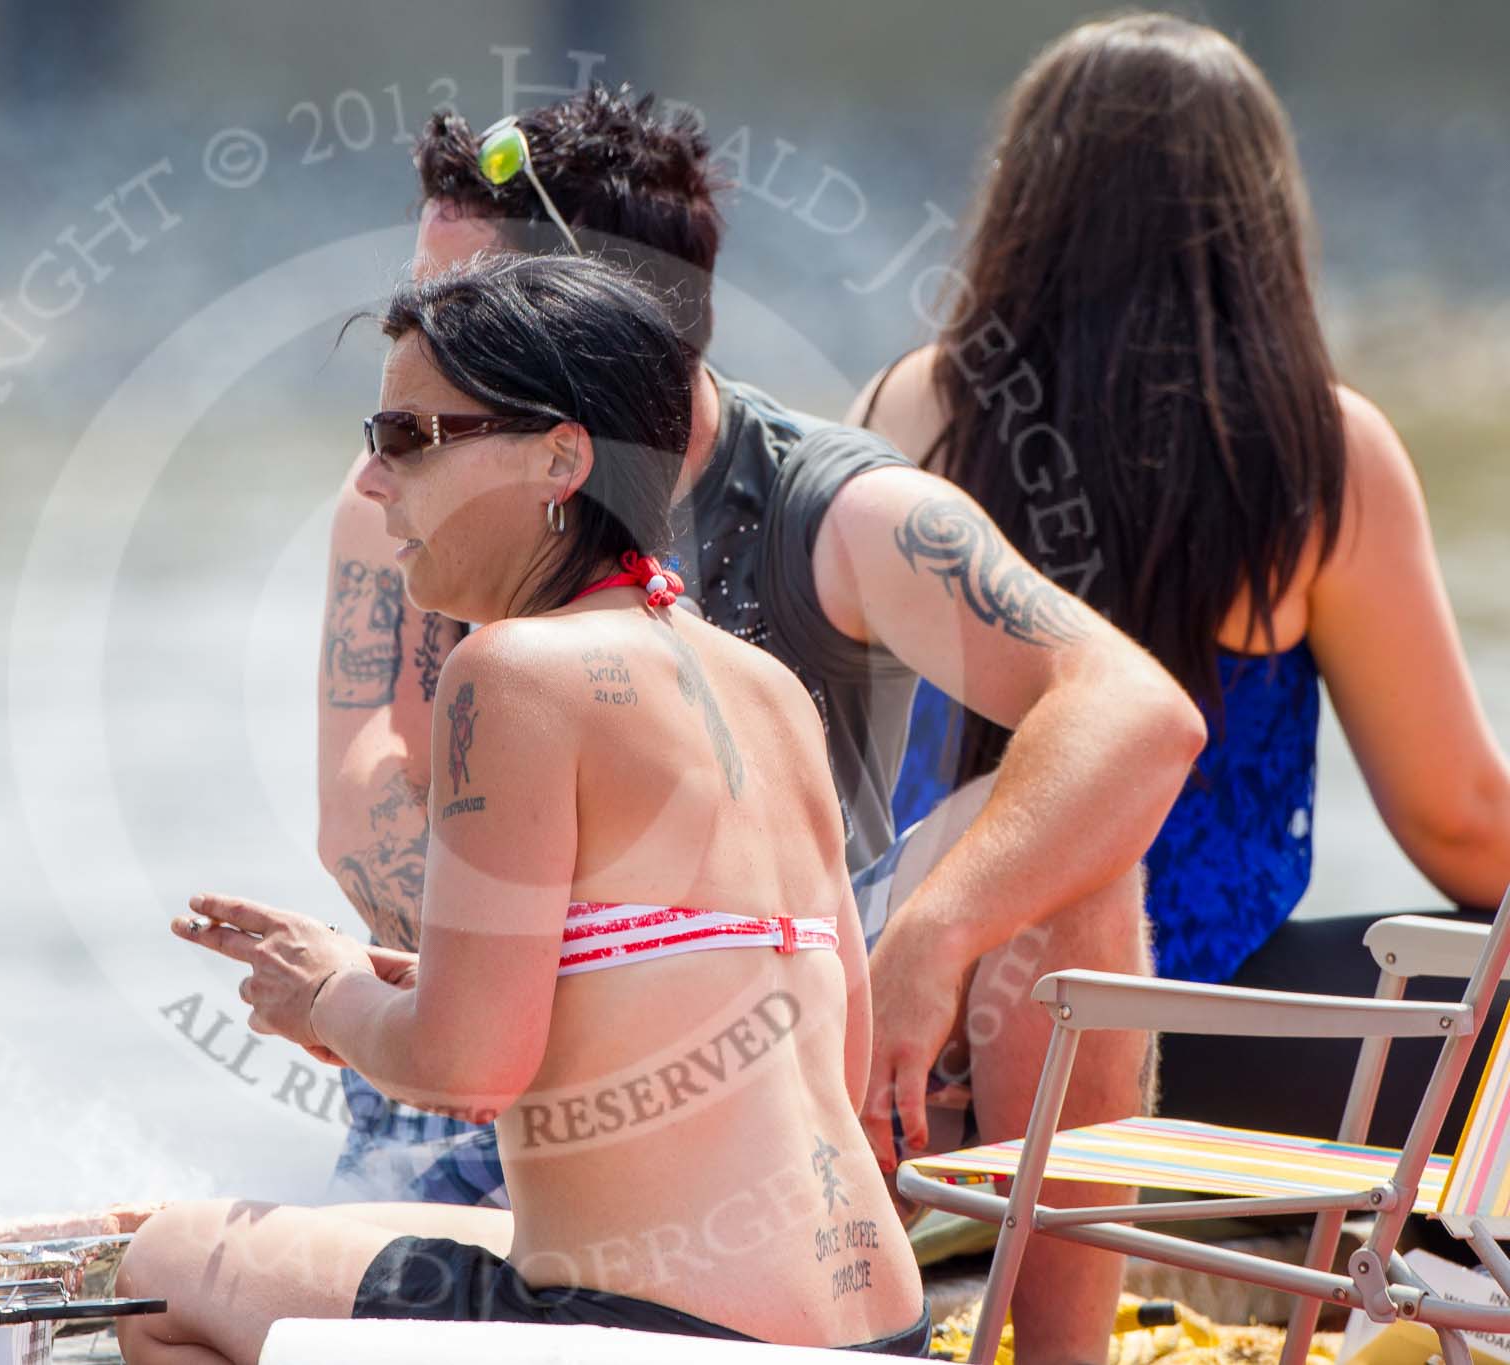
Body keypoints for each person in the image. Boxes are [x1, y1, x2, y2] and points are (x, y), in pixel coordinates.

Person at [317, 87, 1204, 1362]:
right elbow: (359, 792)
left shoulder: (838, 506)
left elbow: (1133, 711)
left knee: (1084, 864)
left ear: (591, 327)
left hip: (800, 1046)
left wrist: (936, 937)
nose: (412, 347)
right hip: (495, 1030)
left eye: (459, 302)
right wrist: (526, 961)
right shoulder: (400, 492)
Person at [117, 254, 929, 1362]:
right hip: (877, 1328)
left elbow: (465, 1072)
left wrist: (328, 999)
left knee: (156, 1274)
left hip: (665, 1338)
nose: (368, 480)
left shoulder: (510, 674)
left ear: (558, 456)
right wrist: (433, 986)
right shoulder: (766, 690)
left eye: (406, 437)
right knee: (338, 1229)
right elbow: (829, 1059)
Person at [852, 13, 1510, 1138]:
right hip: (1182, 1036)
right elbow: (1456, 823)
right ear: (1254, 217)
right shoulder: (1314, 447)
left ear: (1025, 203)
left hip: (928, 1009)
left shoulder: (915, 404)